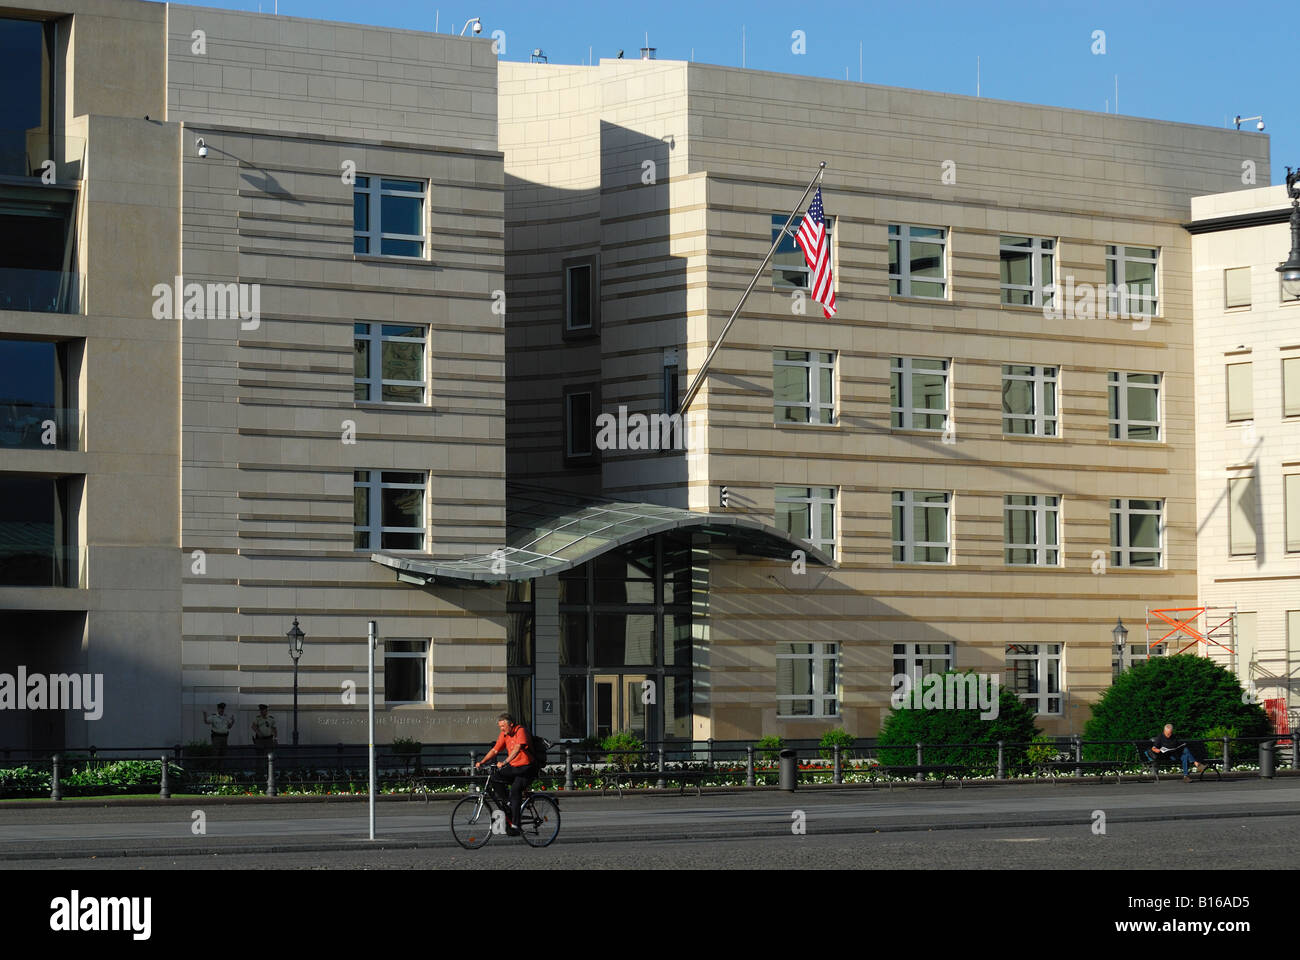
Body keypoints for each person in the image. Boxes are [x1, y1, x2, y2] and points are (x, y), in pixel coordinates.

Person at [475, 713, 534, 835]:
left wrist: (505, 761)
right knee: (495, 777)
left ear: (511, 724)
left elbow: (517, 748)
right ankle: (508, 804)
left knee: (515, 790)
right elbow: (495, 750)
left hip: (527, 768)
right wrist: (482, 761)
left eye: (503, 726)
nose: (501, 729)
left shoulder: (520, 731)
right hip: (514, 767)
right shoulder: (504, 734)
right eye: (500, 727)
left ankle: (516, 825)